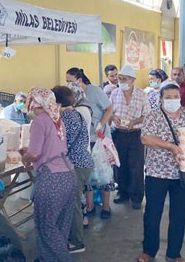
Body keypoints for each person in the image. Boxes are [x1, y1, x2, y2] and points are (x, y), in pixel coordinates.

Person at [136, 83, 185, 262]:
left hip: (182, 173)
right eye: (168, 97)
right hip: (156, 173)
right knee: (152, 213)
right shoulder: (154, 115)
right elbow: (146, 138)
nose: (172, 100)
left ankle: (174, 253)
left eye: (175, 97)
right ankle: (149, 251)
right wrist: (172, 147)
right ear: (161, 99)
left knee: (179, 214)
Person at [21, 87, 82, 262]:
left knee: (46, 224)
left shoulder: (39, 121)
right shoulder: (56, 118)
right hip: (67, 173)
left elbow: (36, 153)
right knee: (61, 223)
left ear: (34, 102)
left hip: (51, 178)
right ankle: (48, 259)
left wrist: (25, 156)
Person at [66, 68, 114, 217]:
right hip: (85, 141)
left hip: (100, 139)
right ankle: (90, 205)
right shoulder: (73, 96)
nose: (68, 84)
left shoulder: (95, 91)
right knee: (89, 174)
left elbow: (109, 108)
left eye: (70, 81)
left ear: (79, 80)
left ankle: (106, 207)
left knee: (104, 173)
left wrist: (101, 124)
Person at [51, 86, 94, 252]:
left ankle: (77, 242)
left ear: (57, 102)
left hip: (76, 164)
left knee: (73, 204)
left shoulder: (68, 117)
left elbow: (63, 145)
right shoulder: (72, 114)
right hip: (78, 163)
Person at [110, 65, 150, 210]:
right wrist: (114, 118)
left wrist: (134, 122)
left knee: (136, 165)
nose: (121, 81)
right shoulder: (115, 93)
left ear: (132, 80)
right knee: (120, 165)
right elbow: (110, 111)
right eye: (120, 79)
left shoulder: (141, 94)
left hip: (136, 135)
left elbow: (147, 115)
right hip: (119, 134)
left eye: (124, 79)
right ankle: (123, 192)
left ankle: (137, 197)